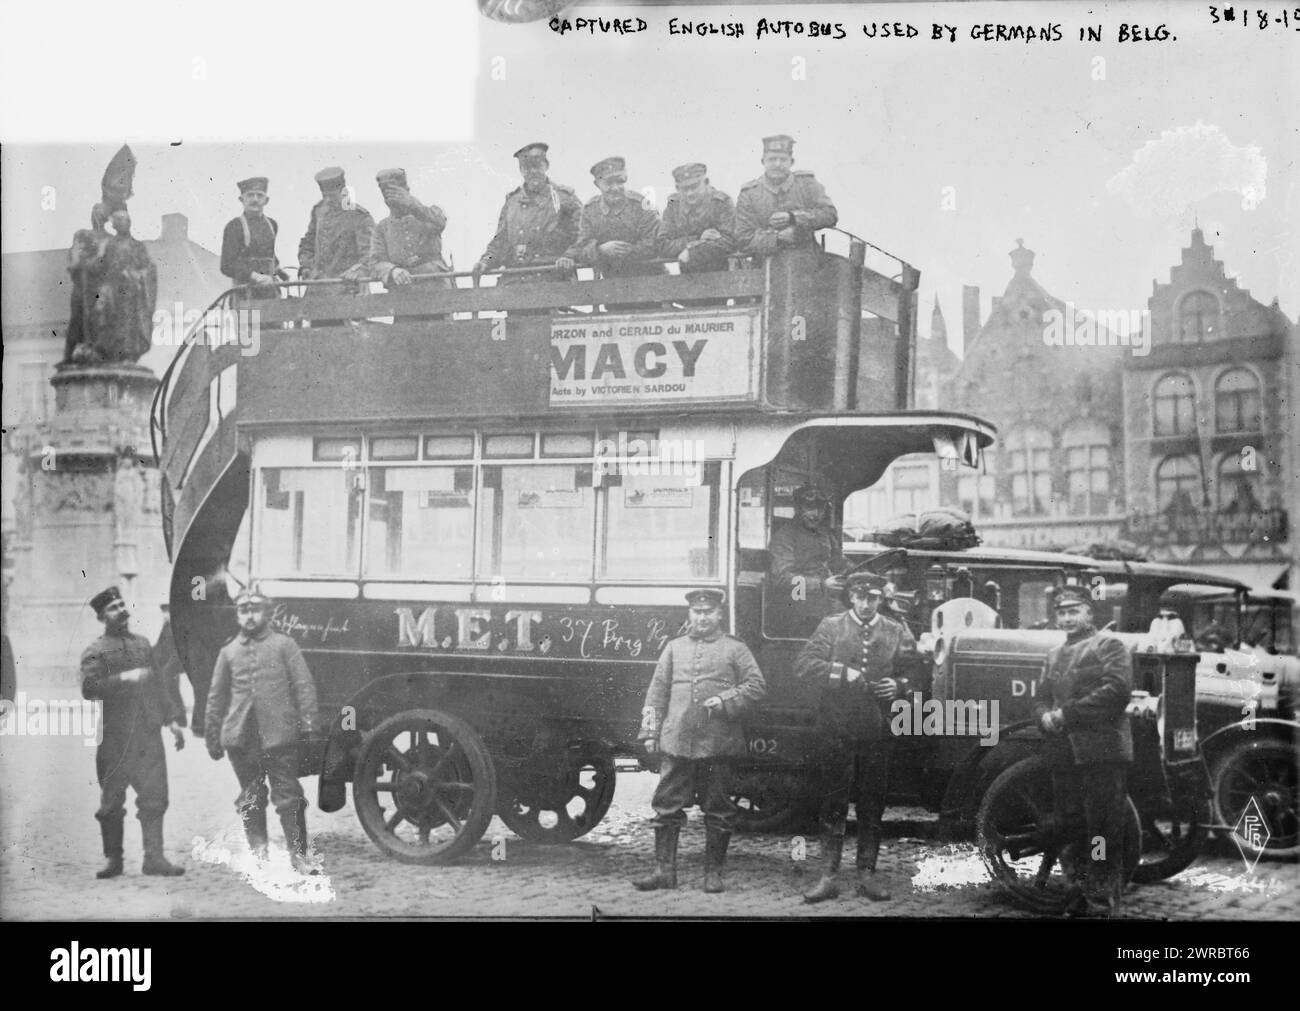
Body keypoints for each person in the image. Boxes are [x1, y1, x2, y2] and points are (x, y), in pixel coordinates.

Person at [795, 571, 922, 902]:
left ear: (881, 599)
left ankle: (867, 875)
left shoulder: (896, 630)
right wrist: (841, 671)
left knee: (872, 805)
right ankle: (828, 876)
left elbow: (918, 672)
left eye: (873, 598)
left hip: (877, 731)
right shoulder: (832, 626)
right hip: (836, 729)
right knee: (834, 803)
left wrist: (899, 686)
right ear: (851, 597)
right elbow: (805, 664)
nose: (867, 604)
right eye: (861, 597)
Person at [632, 589, 766, 894]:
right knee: (666, 807)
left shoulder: (735, 649)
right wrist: (650, 733)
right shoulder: (674, 648)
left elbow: (757, 686)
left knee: (718, 809)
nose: (702, 617)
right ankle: (664, 872)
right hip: (677, 741)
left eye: (708, 612)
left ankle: (713, 874)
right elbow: (656, 693)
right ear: (689, 614)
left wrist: (725, 698)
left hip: (718, 743)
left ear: (720, 614)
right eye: (697, 612)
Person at [1034, 582, 1134, 917]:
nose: (1066, 618)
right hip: (1064, 753)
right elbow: (1040, 698)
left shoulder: (1110, 645)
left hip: (1102, 752)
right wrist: (1043, 716)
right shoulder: (1052, 655)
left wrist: (1065, 714)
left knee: (1101, 831)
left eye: (1073, 611)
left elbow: (1118, 690)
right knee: (1070, 827)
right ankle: (1077, 891)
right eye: (1061, 612)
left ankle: (1101, 902)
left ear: (1089, 612)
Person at [205, 588, 321, 872]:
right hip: (242, 739)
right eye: (244, 610)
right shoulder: (228, 652)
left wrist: (308, 726)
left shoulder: (284, 645)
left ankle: (300, 857)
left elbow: (304, 686)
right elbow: (215, 697)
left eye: (255, 609)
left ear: (267, 613)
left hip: (279, 736)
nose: (250, 616)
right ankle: (260, 857)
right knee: (251, 797)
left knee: (289, 797)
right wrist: (212, 737)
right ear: (237, 615)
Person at [80, 586, 186, 879]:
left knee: (155, 797)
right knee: (112, 802)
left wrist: (173, 721)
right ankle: (113, 860)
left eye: (122, 604)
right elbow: (89, 690)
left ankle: (154, 858)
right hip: (115, 739)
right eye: (113, 608)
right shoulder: (95, 651)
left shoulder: (142, 645)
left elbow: (159, 686)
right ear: (102, 617)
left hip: (148, 735)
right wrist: (124, 678)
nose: (121, 610)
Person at [472, 142, 582, 284]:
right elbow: (500, 242)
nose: (532, 172)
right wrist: (485, 261)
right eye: (526, 168)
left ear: (546, 166)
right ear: (521, 170)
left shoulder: (565, 198)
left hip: (553, 279)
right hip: (515, 279)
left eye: (536, 166)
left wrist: (569, 257)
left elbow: (584, 236)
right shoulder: (512, 202)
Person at [559, 157, 663, 279]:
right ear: (597, 184)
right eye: (608, 183)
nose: (615, 188)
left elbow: (655, 242)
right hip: (613, 283)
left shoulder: (642, 205)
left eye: (619, 182)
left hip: (652, 279)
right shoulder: (591, 210)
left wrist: (627, 250)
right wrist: (600, 250)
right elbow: (581, 245)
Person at [734, 134, 838, 255]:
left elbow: (830, 214)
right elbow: (743, 238)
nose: (778, 164)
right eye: (772, 159)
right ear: (763, 161)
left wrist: (794, 217)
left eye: (783, 159)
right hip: (765, 264)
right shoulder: (749, 194)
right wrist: (777, 238)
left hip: (808, 259)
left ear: (791, 162)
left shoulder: (807, 184)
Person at [298, 166, 375, 302]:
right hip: (317, 290)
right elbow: (307, 243)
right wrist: (307, 266)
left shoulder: (359, 216)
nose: (328, 200)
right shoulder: (318, 211)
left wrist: (358, 269)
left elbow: (371, 252)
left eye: (332, 196)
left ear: (344, 192)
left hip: (347, 289)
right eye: (324, 196)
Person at [91, 207, 158, 363]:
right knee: (108, 321)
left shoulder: (137, 246)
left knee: (129, 325)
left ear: (129, 223)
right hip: (112, 292)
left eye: (124, 220)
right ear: (113, 225)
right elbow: (101, 268)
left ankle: (128, 354)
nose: (121, 224)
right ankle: (110, 353)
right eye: (118, 221)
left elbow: (147, 268)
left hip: (131, 293)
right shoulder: (109, 245)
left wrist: (134, 275)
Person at [368, 168, 450, 289]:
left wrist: (412, 204)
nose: (392, 197)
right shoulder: (381, 228)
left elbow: (440, 222)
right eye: (386, 193)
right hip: (402, 292)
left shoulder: (428, 214)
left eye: (396, 191)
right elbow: (375, 263)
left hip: (436, 285)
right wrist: (392, 271)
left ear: (407, 190)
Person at [656, 162, 735, 273]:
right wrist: (697, 239)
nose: (690, 193)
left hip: (726, 273)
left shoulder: (721, 202)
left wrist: (693, 252)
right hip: (689, 276)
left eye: (694, 187)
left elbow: (730, 241)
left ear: (706, 182)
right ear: (677, 188)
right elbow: (662, 245)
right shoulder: (673, 207)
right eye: (685, 189)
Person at [768, 484, 847, 590]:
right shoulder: (784, 537)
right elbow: (782, 578)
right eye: (809, 507)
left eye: (820, 508)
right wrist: (821, 584)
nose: (816, 514)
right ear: (798, 508)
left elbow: (839, 561)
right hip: (796, 598)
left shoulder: (825, 533)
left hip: (826, 594)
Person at [61, 202, 112, 364]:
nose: (97, 217)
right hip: (82, 286)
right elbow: (74, 262)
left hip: (100, 288)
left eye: (101, 213)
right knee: (77, 320)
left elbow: (111, 266)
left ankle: (101, 355)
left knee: (100, 322)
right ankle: (69, 357)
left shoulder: (109, 239)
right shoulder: (82, 235)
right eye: (95, 212)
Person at [221, 177, 285, 299]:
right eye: (250, 195)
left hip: (271, 294)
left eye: (259, 196)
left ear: (266, 200)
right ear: (241, 199)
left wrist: (281, 272)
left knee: (277, 317)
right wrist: (255, 276)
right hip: (245, 296)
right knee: (250, 318)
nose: (255, 200)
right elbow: (226, 265)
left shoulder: (272, 225)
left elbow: (268, 255)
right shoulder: (234, 226)